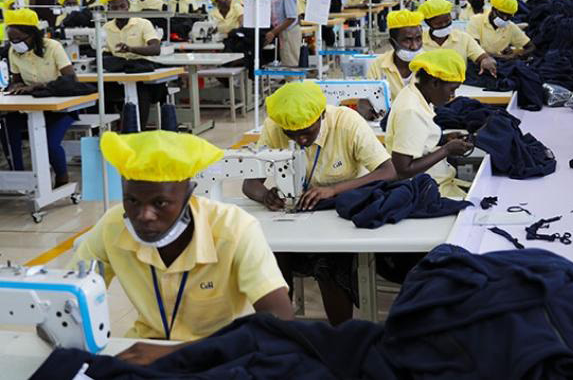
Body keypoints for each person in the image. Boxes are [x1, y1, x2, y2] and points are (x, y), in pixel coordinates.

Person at [72, 131, 293, 364]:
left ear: (188, 194)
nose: (144, 215)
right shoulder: (112, 227)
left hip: (221, 355)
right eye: (132, 201)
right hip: (145, 348)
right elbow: (67, 294)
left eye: (160, 203)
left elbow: (281, 322)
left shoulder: (235, 229)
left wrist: (175, 353)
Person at [243, 82, 396, 324]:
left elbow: (388, 171)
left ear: (322, 115)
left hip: (340, 215)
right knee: (271, 256)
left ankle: (339, 334)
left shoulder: (347, 123)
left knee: (329, 264)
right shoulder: (276, 126)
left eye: (307, 132)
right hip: (301, 214)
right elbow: (250, 183)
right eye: (291, 135)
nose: (300, 140)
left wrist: (333, 190)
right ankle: (278, 332)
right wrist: (265, 196)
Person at [384, 49, 472, 199]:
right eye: (452, 90)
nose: (453, 96)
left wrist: (444, 139)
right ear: (435, 83)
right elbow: (402, 170)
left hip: (435, 182)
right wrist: (446, 150)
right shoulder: (412, 110)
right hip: (424, 192)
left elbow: (418, 140)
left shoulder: (418, 95)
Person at [3, 8, 77, 188]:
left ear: (32, 35)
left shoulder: (53, 47)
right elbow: (17, 81)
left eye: (18, 39)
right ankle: (18, 178)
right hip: (31, 108)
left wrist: (39, 86)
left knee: (49, 144)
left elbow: (71, 79)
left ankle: (62, 177)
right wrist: (16, 86)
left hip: (60, 109)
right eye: (11, 40)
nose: (15, 44)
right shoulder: (14, 52)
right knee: (6, 127)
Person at [100, 0, 164, 128]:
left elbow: (155, 49)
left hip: (143, 76)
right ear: (109, 9)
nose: (119, 10)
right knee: (99, 93)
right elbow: (104, 53)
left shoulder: (143, 24)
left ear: (128, 5)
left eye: (122, 6)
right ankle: (107, 130)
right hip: (118, 76)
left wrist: (131, 49)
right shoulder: (105, 28)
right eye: (114, 8)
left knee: (141, 94)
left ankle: (137, 130)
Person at [419, 0, 496, 77]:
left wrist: (486, 60)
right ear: (427, 23)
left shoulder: (463, 38)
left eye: (447, 21)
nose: (444, 25)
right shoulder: (419, 40)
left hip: (458, 83)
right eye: (438, 24)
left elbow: (481, 56)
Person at [367, 10, 424, 100]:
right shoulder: (378, 66)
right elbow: (369, 98)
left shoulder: (430, 65)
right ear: (393, 43)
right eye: (407, 40)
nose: (414, 46)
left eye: (418, 39)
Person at [466, 0, 534, 58]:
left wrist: (518, 54)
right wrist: (503, 57)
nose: (504, 18)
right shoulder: (476, 20)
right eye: (502, 14)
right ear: (493, 9)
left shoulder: (510, 27)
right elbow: (475, 49)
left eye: (508, 16)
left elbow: (531, 47)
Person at [261, 0, 302, 67]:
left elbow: (291, 18)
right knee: (286, 62)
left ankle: (292, 78)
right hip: (282, 32)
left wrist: (273, 32)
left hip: (289, 32)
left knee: (290, 64)